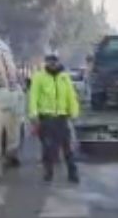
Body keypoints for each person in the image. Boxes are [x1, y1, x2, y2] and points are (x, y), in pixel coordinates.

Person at [27, 53, 81, 184]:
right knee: (48, 147)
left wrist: (74, 113)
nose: (52, 64)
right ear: (46, 63)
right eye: (49, 62)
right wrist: (33, 115)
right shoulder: (39, 77)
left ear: (58, 62)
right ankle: (48, 172)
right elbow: (33, 96)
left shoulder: (64, 77)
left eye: (54, 62)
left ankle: (72, 173)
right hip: (47, 117)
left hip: (62, 117)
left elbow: (71, 96)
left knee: (67, 147)